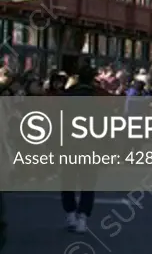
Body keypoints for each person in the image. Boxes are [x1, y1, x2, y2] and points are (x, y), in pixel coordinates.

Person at [61, 63, 100, 233]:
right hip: (90, 144)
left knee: (68, 179)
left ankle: (70, 214)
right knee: (87, 182)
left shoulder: (68, 95)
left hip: (69, 143)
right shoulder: (99, 96)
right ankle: (83, 217)